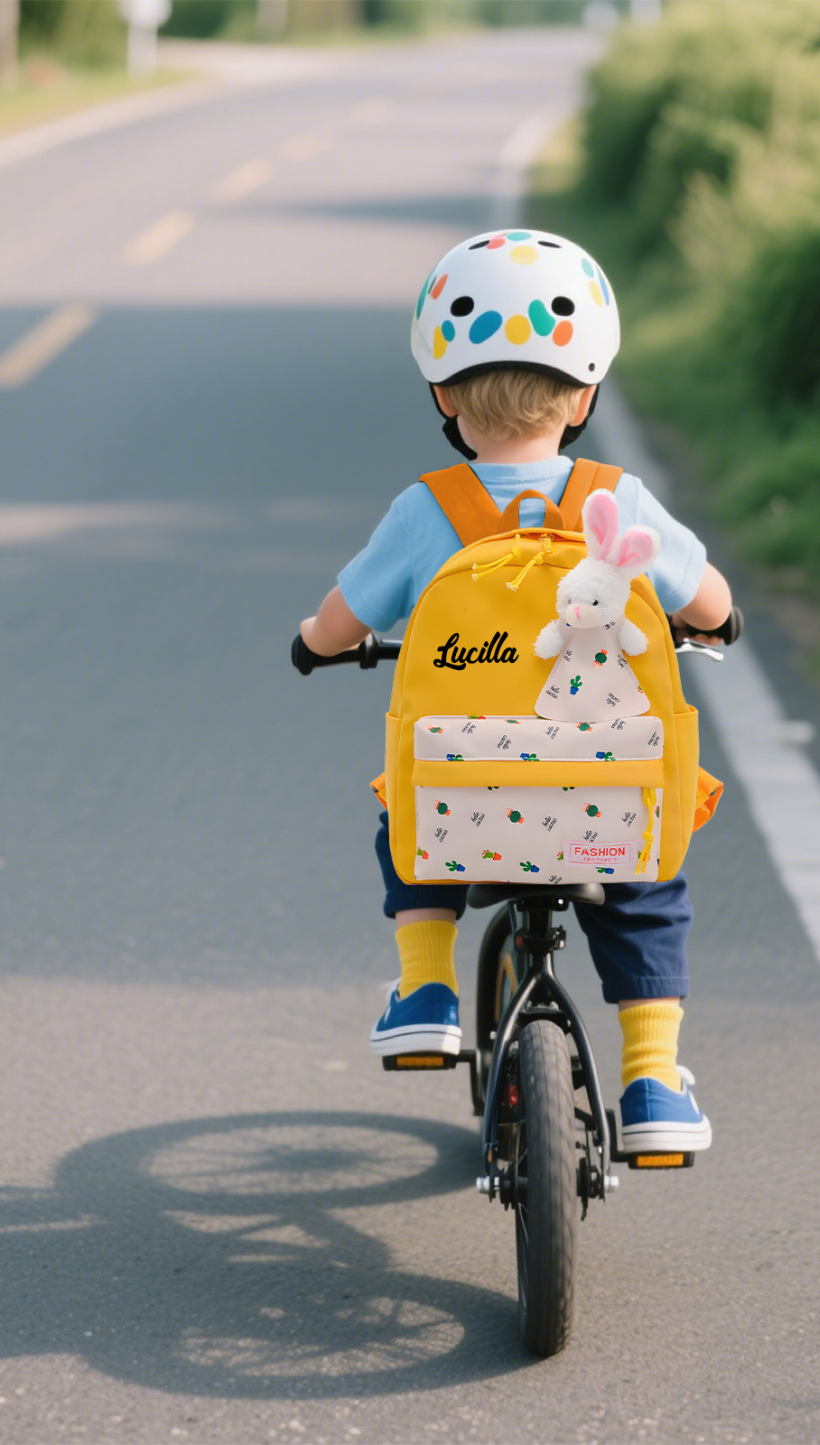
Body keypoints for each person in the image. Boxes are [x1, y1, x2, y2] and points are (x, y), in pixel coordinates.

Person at [297, 229, 734, 1153]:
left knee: (405, 810)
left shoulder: (430, 511)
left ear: (443, 395)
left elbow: (343, 618)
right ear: (583, 395)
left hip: (469, 795)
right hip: (607, 792)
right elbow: (709, 599)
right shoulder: (618, 499)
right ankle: (652, 1084)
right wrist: (710, 622)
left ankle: (425, 991)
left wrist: (312, 643)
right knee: (649, 881)